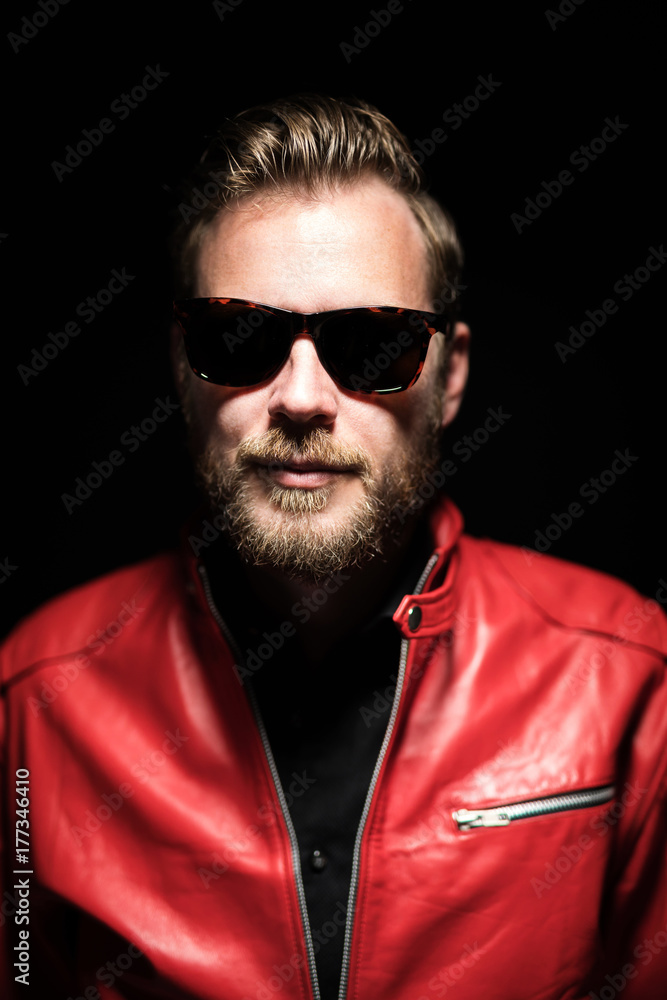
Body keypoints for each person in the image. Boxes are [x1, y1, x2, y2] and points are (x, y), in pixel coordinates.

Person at [1, 93, 666, 1000]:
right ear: (178, 367)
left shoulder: (628, 681)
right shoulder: (35, 702)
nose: (303, 397)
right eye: (239, 336)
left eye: (372, 343)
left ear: (451, 375)